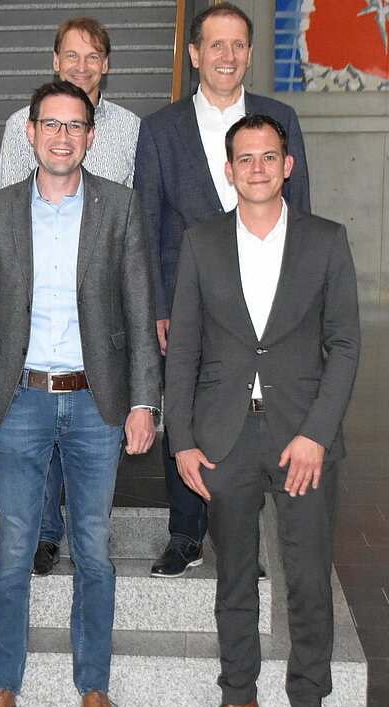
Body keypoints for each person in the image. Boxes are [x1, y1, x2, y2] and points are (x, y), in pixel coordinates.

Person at [0, 81, 158, 707]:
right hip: (19, 401)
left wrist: (141, 401)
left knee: (93, 550)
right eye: (52, 125)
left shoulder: (120, 207)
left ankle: (93, 687)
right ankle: (1, 684)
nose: (63, 136)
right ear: (30, 132)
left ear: (92, 135)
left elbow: (137, 307)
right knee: (14, 548)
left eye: (76, 125)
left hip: (96, 402)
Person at [166, 114, 359, 707]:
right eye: (244, 158)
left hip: (301, 435)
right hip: (224, 436)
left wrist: (317, 435)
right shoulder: (201, 242)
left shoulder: (326, 241)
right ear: (229, 170)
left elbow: (345, 345)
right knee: (234, 574)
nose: (256, 168)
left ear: (288, 165)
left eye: (268, 157)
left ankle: (308, 704)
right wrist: (183, 440)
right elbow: (185, 346)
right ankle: (239, 699)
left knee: (307, 575)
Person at [134, 1, 312, 578]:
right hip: (189, 301)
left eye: (238, 45)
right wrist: (160, 305)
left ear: (251, 53)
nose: (227, 56)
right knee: (184, 404)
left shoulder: (279, 117)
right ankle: (185, 533)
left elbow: (302, 217)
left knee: (247, 405)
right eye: (216, 45)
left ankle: (239, 535)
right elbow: (148, 224)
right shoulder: (161, 129)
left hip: (262, 304)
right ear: (194, 55)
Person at [0, 16, 140, 577]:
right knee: (38, 410)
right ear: (55, 60)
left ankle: (79, 537)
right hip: (40, 291)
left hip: (101, 298)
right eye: (71, 56)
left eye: (93, 56)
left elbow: (134, 204)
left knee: (84, 415)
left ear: (106, 65)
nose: (81, 65)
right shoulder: (18, 125)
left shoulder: (127, 127)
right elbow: (8, 198)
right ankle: (45, 534)